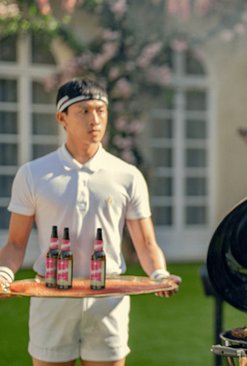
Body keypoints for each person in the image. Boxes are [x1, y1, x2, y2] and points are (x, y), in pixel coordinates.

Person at [0, 78, 181, 366]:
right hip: (52, 298)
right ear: (62, 118)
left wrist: (159, 274)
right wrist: (4, 275)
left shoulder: (127, 175)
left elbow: (146, 243)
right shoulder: (34, 174)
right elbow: (15, 243)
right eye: (83, 111)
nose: (95, 119)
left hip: (108, 300)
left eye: (100, 110)